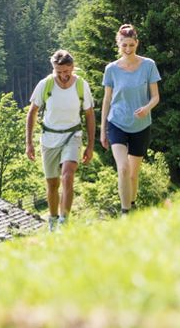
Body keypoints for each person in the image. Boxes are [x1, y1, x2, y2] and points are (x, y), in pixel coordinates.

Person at [25, 49, 95, 231]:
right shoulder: (45, 85)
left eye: (67, 71)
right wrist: (29, 143)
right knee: (52, 183)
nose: (63, 76)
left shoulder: (81, 85)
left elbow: (89, 115)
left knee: (68, 176)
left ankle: (65, 220)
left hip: (73, 135)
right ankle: (53, 220)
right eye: (59, 72)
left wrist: (90, 146)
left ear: (72, 67)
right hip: (49, 137)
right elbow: (32, 112)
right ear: (54, 69)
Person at [100, 24, 160, 214]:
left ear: (137, 43)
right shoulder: (111, 69)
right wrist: (103, 130)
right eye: (124, 45)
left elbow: (156, 97)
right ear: (118, 44)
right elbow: (107, 99)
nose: (127, 49)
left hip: (141, 125)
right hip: (117, 122)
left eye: (131, 45)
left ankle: (132, 205)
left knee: (133, 174)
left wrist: (147, 108)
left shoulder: (148, 65)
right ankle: (125, 212)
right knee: (123, 168)